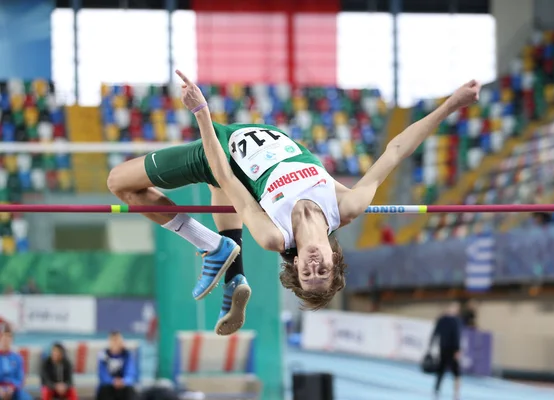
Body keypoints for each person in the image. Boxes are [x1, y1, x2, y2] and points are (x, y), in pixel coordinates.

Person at [107, 70, 481, 333]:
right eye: (323, 272)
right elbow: (397, 149)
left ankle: (214, 247)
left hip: (220, 150)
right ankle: (227, 262)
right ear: (336, 260)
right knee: (226, 194)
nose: (315, 267)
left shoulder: (274, 236)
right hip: (263, 139)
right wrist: (452, 104)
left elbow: (224, 174)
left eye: (307, 272)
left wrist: (202, 114)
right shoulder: (346, 206)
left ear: (297, 263)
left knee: (120, 184)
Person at [429, 302, 462, 400]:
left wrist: (431, 344)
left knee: (442, 369)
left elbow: (435, 332)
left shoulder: (442, 319)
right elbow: (457, 336)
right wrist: (457, 350)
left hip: (443, 347)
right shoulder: (456, 320)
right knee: (455, 371)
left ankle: (437, 389)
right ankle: (456, 393)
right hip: (451, 349)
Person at [96, 331, 137, 400]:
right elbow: (102, 374)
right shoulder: (103, 355)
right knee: (104, 390)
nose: (115, 343)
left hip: (124, 386)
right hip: (108, 386)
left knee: (130, 390)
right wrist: (112, 381)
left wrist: (124, 381)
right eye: (113, 340)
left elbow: (131, 373)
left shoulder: (127, 355)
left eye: (117, 340)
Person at [0, 324, 26, 400]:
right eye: (3, 337)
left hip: (14, 389)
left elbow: (20, 378)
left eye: (9, 337)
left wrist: (12, 388)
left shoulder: (17, 358)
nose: (6, 340)